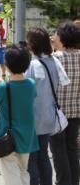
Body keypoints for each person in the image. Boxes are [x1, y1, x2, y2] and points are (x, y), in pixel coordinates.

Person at [25, 28, 70, 185]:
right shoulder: (54, 62)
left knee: (32, 157)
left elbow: (26, 92)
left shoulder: (32, 65)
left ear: (33, 44)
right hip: (49, 116)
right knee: (44, 155)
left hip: (33, 118)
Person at [0, 44, 39, 185]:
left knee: (11, 173)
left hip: (8, 136)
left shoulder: (3, 87)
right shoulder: (31, 84)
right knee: (23, 170)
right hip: (27, 135)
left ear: (7, 65)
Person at [50, 21, 80, 185]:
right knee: (72, 150)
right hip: (76, 111)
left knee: (58, 151)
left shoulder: (55, 59)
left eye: (56, 34)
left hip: (57, 113)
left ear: (61, 38)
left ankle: (63, 182)